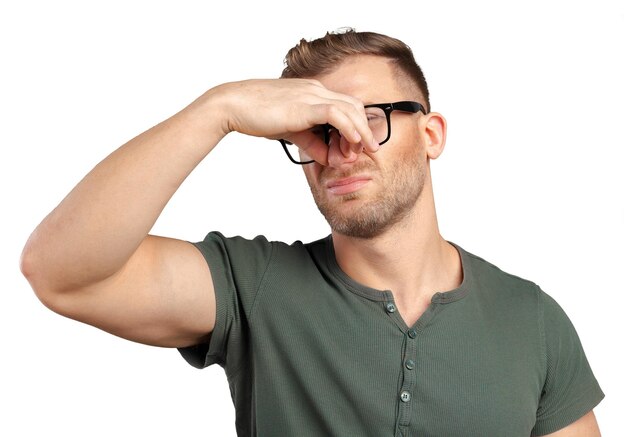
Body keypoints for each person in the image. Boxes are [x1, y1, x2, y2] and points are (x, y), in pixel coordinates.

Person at [20, 29, 603, 436]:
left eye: (369, 118)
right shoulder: (253, 286)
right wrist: (218, 109)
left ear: (431, 135)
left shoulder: (532, 319)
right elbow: (60, 272)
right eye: (319, 130)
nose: (343, 149)